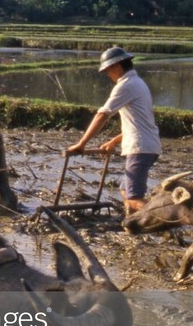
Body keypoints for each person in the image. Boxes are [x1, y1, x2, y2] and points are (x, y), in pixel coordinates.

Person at [66, 46, 161, 214]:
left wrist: (81, 144)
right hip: (146, 145)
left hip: (141, 149)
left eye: (108, 70)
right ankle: (133, 226)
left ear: (117, 66)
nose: (108, 75)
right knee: (125, 191)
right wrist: (113, 142)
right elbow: (137, 125)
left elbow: (102, 115)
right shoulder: (139, 83)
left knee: (134, 198)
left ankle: (168, 220)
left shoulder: (126, 85)